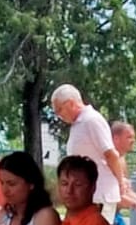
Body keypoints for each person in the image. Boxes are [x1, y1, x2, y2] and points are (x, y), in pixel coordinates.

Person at [52, 84, 129, 216]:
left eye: (59, 110)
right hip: (86, 196)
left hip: (99, 196)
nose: (58, 115)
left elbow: (110, 154)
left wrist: (121, 182)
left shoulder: (91, 120)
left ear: (71, 103)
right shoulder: (78, 124)